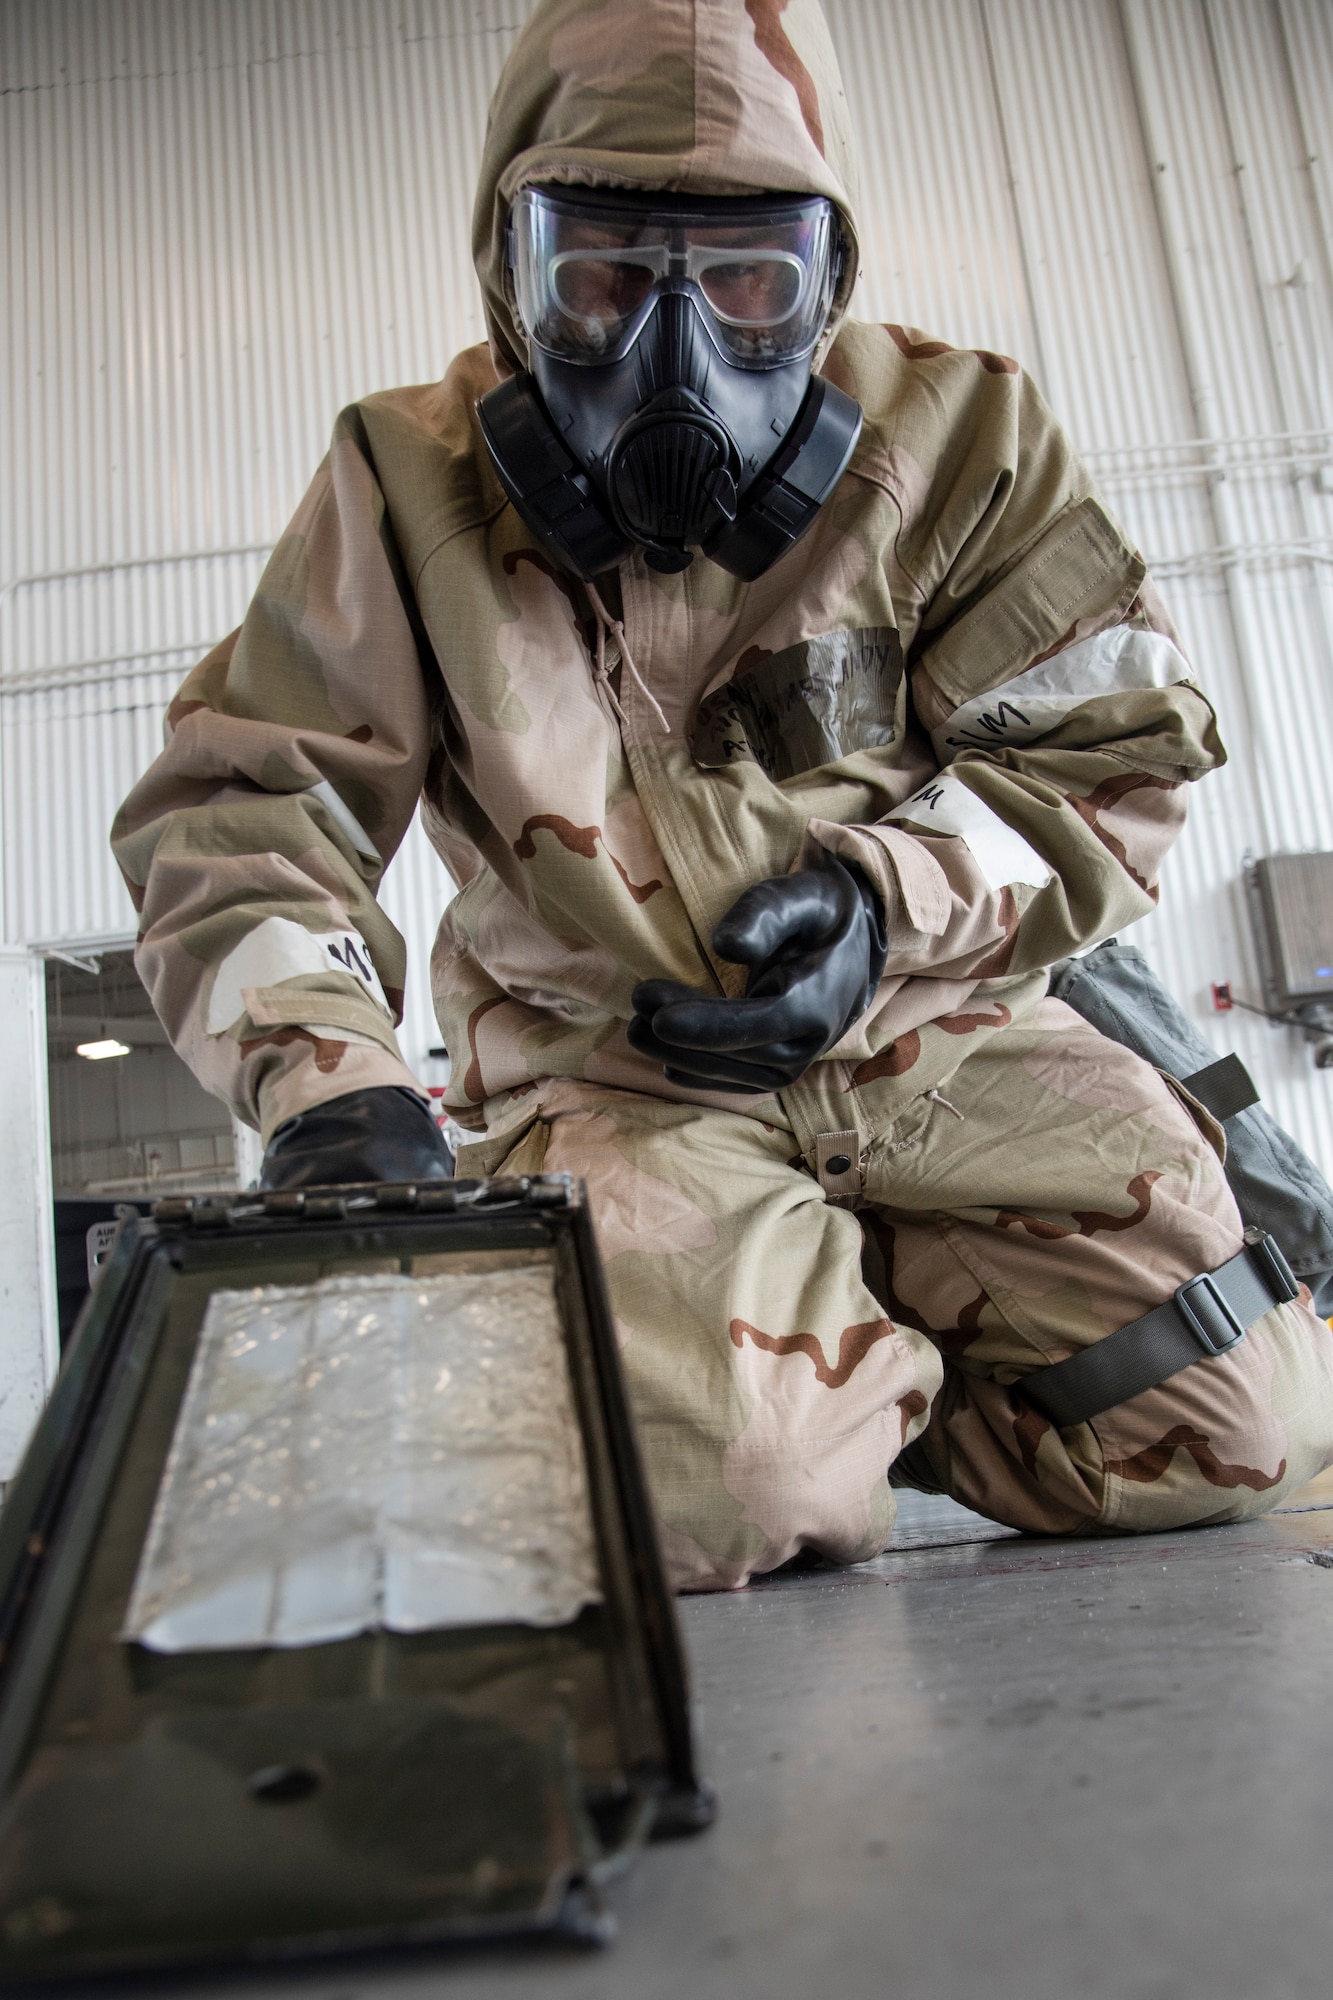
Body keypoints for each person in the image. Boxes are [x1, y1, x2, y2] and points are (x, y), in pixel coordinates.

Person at [113, 0, 1333, 1589]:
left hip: (939, 1033)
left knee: (1228, 1436)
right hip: (620, 1082)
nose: (671, 353)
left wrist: (887, 902)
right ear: (512, 266)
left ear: (827, 276)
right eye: (602, 274)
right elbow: (249, 812)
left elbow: (1110, 750)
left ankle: (875, 1370)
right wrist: (328, 1089)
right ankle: (793, 1409)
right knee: (721, 1492)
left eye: (749, 283)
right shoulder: (402, 482)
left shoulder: (962, 438)